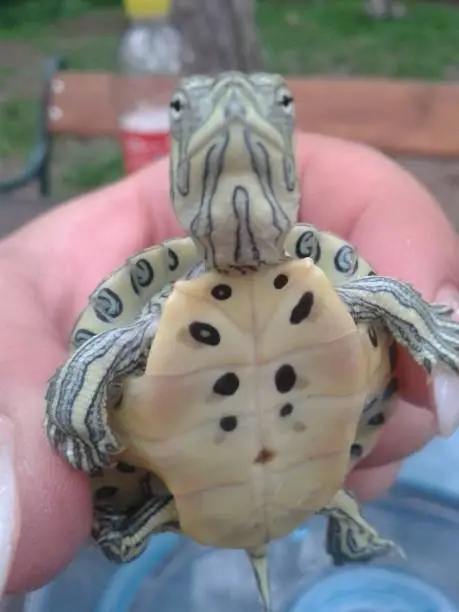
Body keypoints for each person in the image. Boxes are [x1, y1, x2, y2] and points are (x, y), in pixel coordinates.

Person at [1, 132, 459, 598]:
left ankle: (340, 522)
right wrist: (76, 418)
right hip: (206, 489)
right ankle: (343, 522)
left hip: (280, 479)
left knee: (117, 536)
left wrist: (429, 329)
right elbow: (99, 363)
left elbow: (387, 297)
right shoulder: (149, 329)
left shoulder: (342, 295)